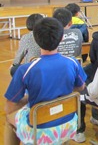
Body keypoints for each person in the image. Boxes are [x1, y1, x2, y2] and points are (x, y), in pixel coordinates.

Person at [4, 17, 86, 145]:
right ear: (61, 38)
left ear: (36, 40)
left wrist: (27, 99)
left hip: (39, 131)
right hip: (68, 124)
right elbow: (81, 87)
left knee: (9, 119)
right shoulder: (73, 63)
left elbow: (9, 107)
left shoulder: (25, 70)